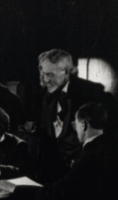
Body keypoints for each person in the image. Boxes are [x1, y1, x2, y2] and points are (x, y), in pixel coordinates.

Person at [21, 102, 118, 200]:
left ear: (84, 125)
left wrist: (19, 189)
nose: (74, 126)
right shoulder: (110, 147)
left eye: (76, 123)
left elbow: (60, 193)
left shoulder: (89, 157)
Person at [24, 49, 118, 183]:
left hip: (84, 170)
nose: (46, 80)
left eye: (50, 75)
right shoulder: (42, 96)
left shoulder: (92, 92)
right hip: (54, 171)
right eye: (43, 74)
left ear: (67, 72)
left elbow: (107, 132)